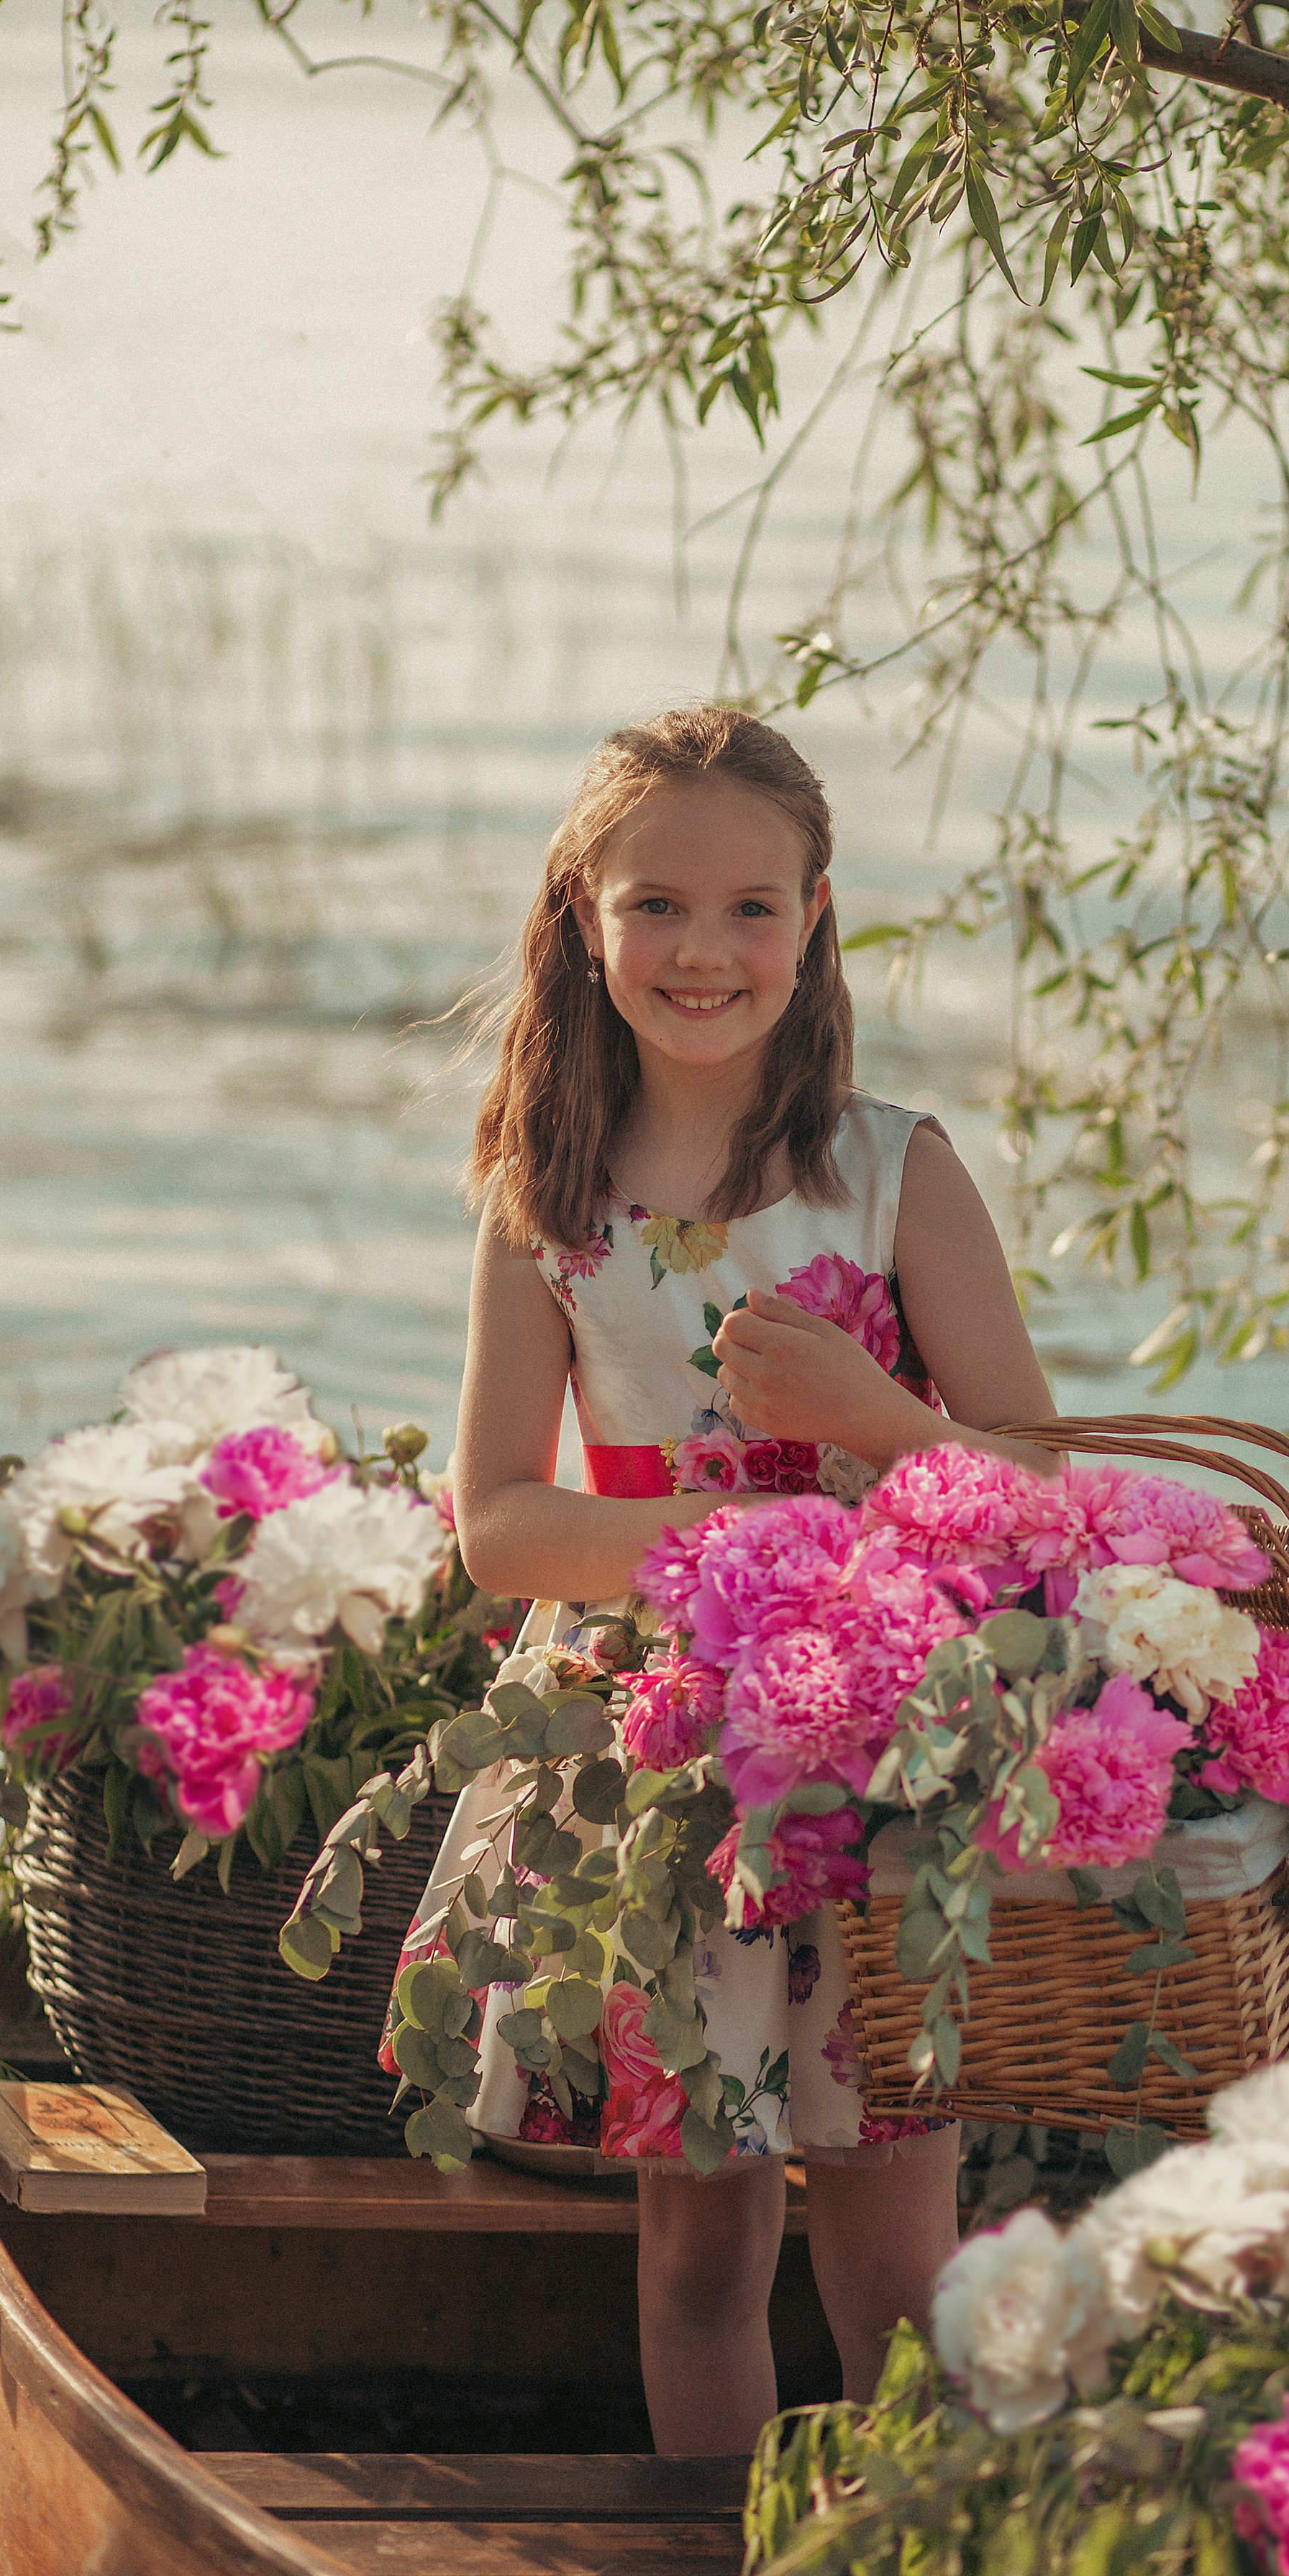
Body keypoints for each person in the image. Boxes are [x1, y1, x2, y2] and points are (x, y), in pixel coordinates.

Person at [445, 702, 1059, 2454]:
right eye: (655, 905)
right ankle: (713, 2547)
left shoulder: (890, 1177)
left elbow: (1029, 1481)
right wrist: (744, 1549)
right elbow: (498, 1518)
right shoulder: (541, 1200)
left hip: (876, 1756)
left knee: (889, 2243)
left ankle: (908, 2551)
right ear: (581, 915)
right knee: (699, 2250)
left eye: (747, 908)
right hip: (654, 1755)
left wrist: (868, 1417)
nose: (700, 949)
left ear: (814, 915)